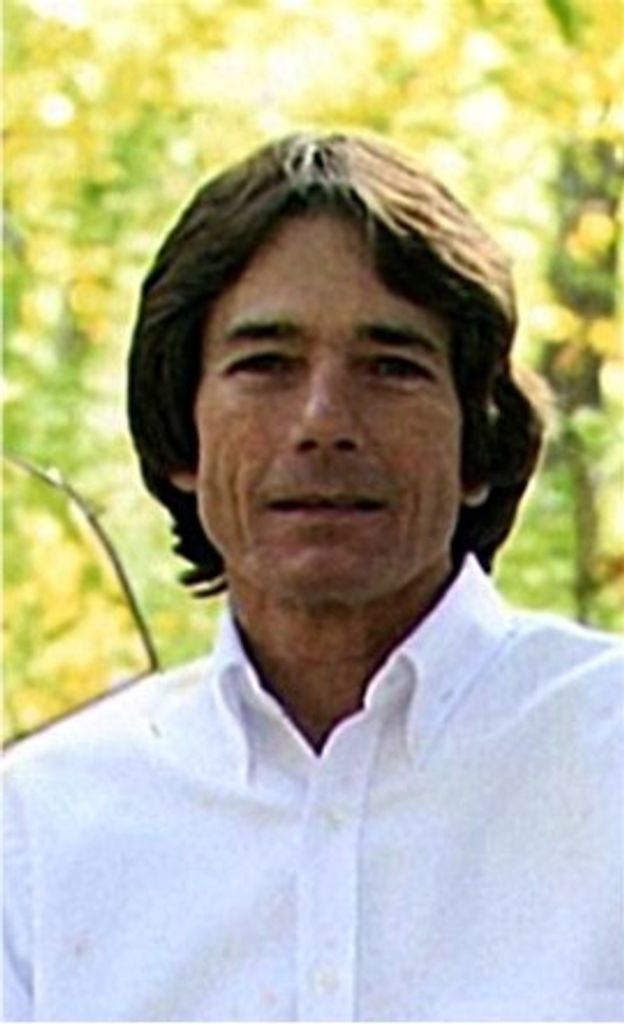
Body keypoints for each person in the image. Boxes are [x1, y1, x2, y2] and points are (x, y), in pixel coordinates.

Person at [3, 133, 622, 1023]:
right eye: (266, 366)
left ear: (478, 440)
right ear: (183, 436)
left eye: (391, 368)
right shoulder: (40, 828)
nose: (324, 421)